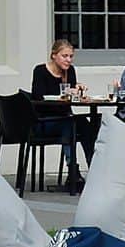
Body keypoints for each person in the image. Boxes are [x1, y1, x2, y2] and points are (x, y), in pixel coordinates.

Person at [30, 39, 97, 183]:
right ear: (54, 55)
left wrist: (78, 93)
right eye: (65, 56)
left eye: (71, 56)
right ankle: (73, 169)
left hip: (65, 118)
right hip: (44, 122)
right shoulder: (40, 71)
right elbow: (38, 98)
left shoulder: (70, 71)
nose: (69, 60)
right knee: (69, 123)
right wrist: (64, 94)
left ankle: (95, 168)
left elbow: (69, 101)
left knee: (86, 124)